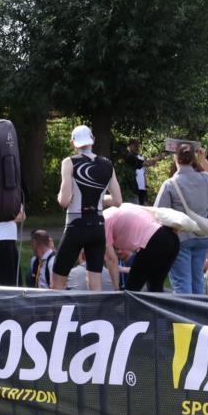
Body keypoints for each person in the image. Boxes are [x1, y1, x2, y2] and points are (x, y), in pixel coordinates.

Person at [51, 125, 123, 291]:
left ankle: (57, 316)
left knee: (57, 280)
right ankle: (95, 316)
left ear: (72, 143)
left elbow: (64, 200)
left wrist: (62, 196)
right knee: (94, 282)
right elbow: (118, 201)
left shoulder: (69, 162)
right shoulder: (107, 164)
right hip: (98, 226)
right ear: (93, 141)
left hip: (76, 225)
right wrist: (97, 198)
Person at [154, 143, 208, 294]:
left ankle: (185, 317)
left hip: (180, 238)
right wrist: (203, 159)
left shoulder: (170, 184)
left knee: (182, 283)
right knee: (198, 281)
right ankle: (198, 316)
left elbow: (159, 213)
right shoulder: (205, 178)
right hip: (203, 235)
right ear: (193, 159)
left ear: (175, 158)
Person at [102, 204, 180, 292]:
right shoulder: (123, 208)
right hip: (173, 238)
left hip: (154, 239)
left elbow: (111, 259)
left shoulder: (104, 221)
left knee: (131, 289)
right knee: (155, 286)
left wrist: (116, 289)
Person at [123, 138, 166, 205]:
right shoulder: (129, 157)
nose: (137, 148)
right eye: (135, 146)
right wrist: (159, 157)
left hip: (139, 188)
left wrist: (146, 185)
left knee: (144, 206)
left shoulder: (138, 158)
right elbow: (147, 163)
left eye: (138, 146)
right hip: (131, 190)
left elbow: (144, 172)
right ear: (130, 146)